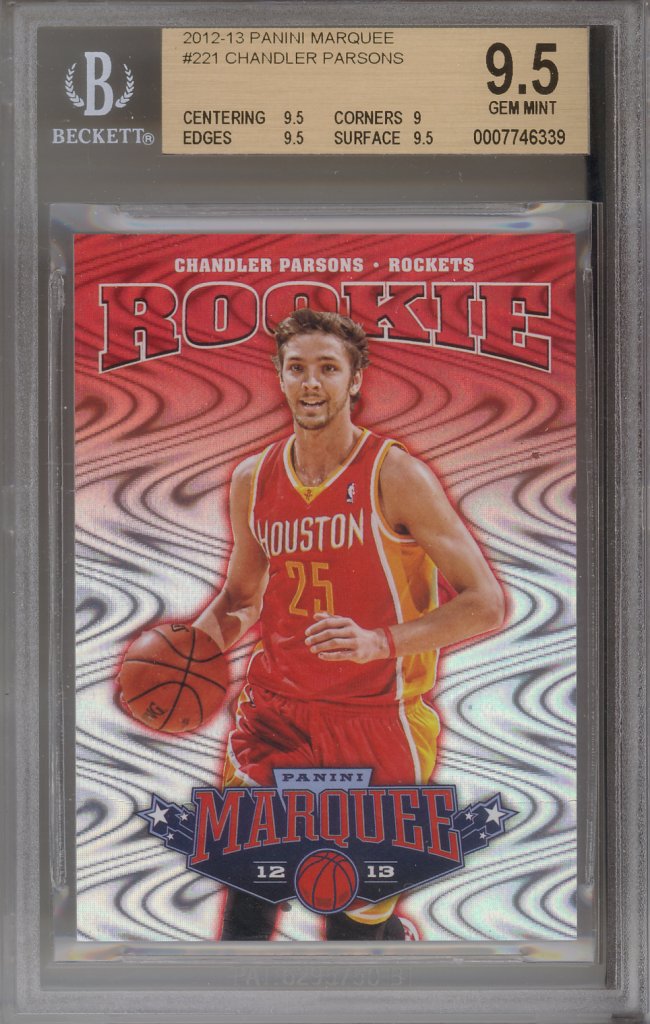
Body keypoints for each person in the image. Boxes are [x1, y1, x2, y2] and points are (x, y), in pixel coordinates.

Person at [194, 307, 504, 941]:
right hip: (274, 714)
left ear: (355, 379)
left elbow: (485, 602)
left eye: (328, 369)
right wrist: (191, 650)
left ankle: (390, 943)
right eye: (297, 368)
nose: (311, 383)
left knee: (348, 927)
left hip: (375, 719)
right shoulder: (253, 479)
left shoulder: (396, 474)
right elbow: (241, 598)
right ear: (280, 376)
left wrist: (380, 642)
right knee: (247, 907)